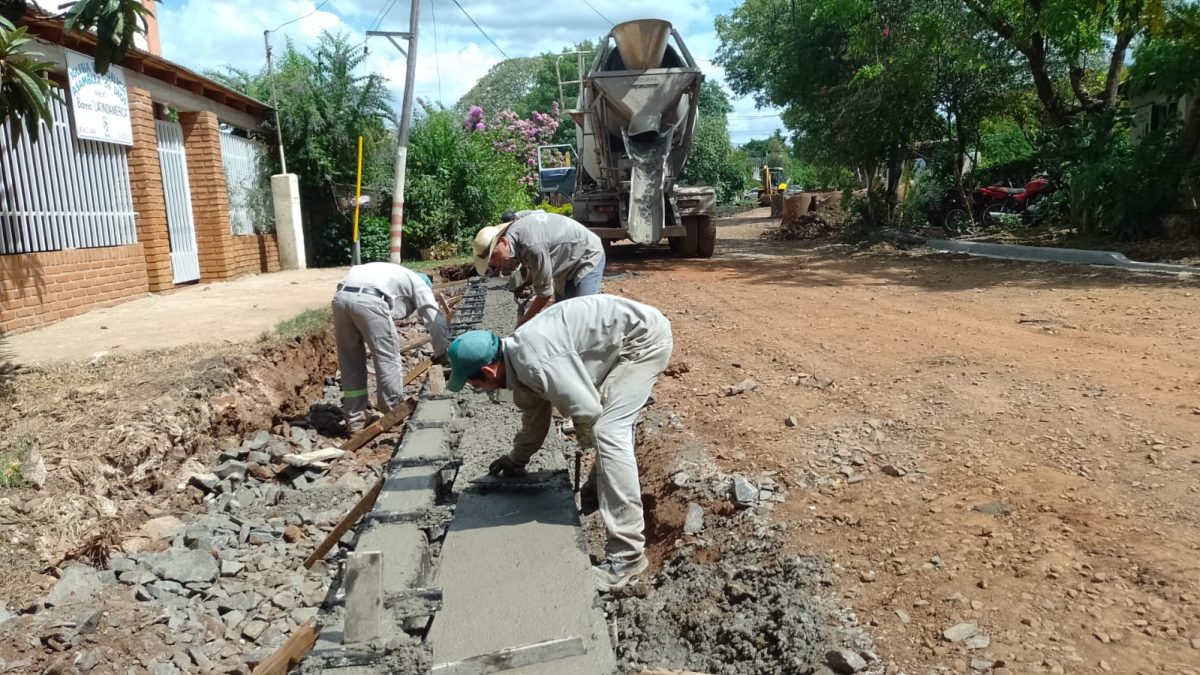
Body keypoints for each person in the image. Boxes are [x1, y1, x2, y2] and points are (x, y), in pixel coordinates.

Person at [445, 295, 672, 591]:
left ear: (488, 372)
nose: (478, 390)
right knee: (607, 429)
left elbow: (588, 411)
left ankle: (627, 558)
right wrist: (517, 459)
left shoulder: (536, 363)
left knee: (608, 431)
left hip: (642, 342)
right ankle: (598, 492)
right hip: (621, 340)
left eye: (475, 384)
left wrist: (588, 442)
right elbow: (535, 416)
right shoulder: (517, 362)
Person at [332, 262, 450, 434]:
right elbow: (434, 318)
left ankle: (355, 421)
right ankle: (393, 414)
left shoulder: (392, 273)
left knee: (350, 361)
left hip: (340, 299)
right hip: (371, 300)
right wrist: (443, 351)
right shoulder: (419, 284)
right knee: (388, 359)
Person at [472, 210, 606, 327]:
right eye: (491, 261)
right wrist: (527, 283)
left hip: (586, 254)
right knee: (565, 314)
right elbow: (533, 266)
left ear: (503, 241)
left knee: (583, 312)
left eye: (494, 255)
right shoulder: (515, 237)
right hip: (565, 262)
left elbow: (545, 294)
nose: (496, 262)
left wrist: (522, 324)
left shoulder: (531, 246)